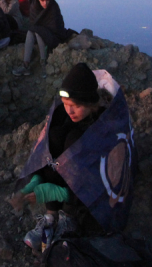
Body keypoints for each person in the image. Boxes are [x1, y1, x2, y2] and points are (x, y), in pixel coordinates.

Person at [10, 63, 136, 250]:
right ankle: (51, 216)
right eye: (67, 104)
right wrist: (31, 186)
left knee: (74, 145)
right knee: (54, 141)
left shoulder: (103, 129)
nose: (69, 111)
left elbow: (96, 177)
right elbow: (47, 161)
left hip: (83, 195)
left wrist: (52, 191)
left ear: (90, 103)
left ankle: (69, 218)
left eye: (76, 106)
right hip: (65, 184)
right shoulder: (66, 122)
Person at [12, 0, 66, 78]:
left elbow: (56, 25)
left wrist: (41, 29)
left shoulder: (53, 7)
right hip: (40, 32)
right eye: (43, 0)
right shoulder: (34, 6)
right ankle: (26, 64)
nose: (45, 3)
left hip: (53, 34)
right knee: (32, 31)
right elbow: (33, 23)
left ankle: (43, 62)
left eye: (48, 0)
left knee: (38, 32)